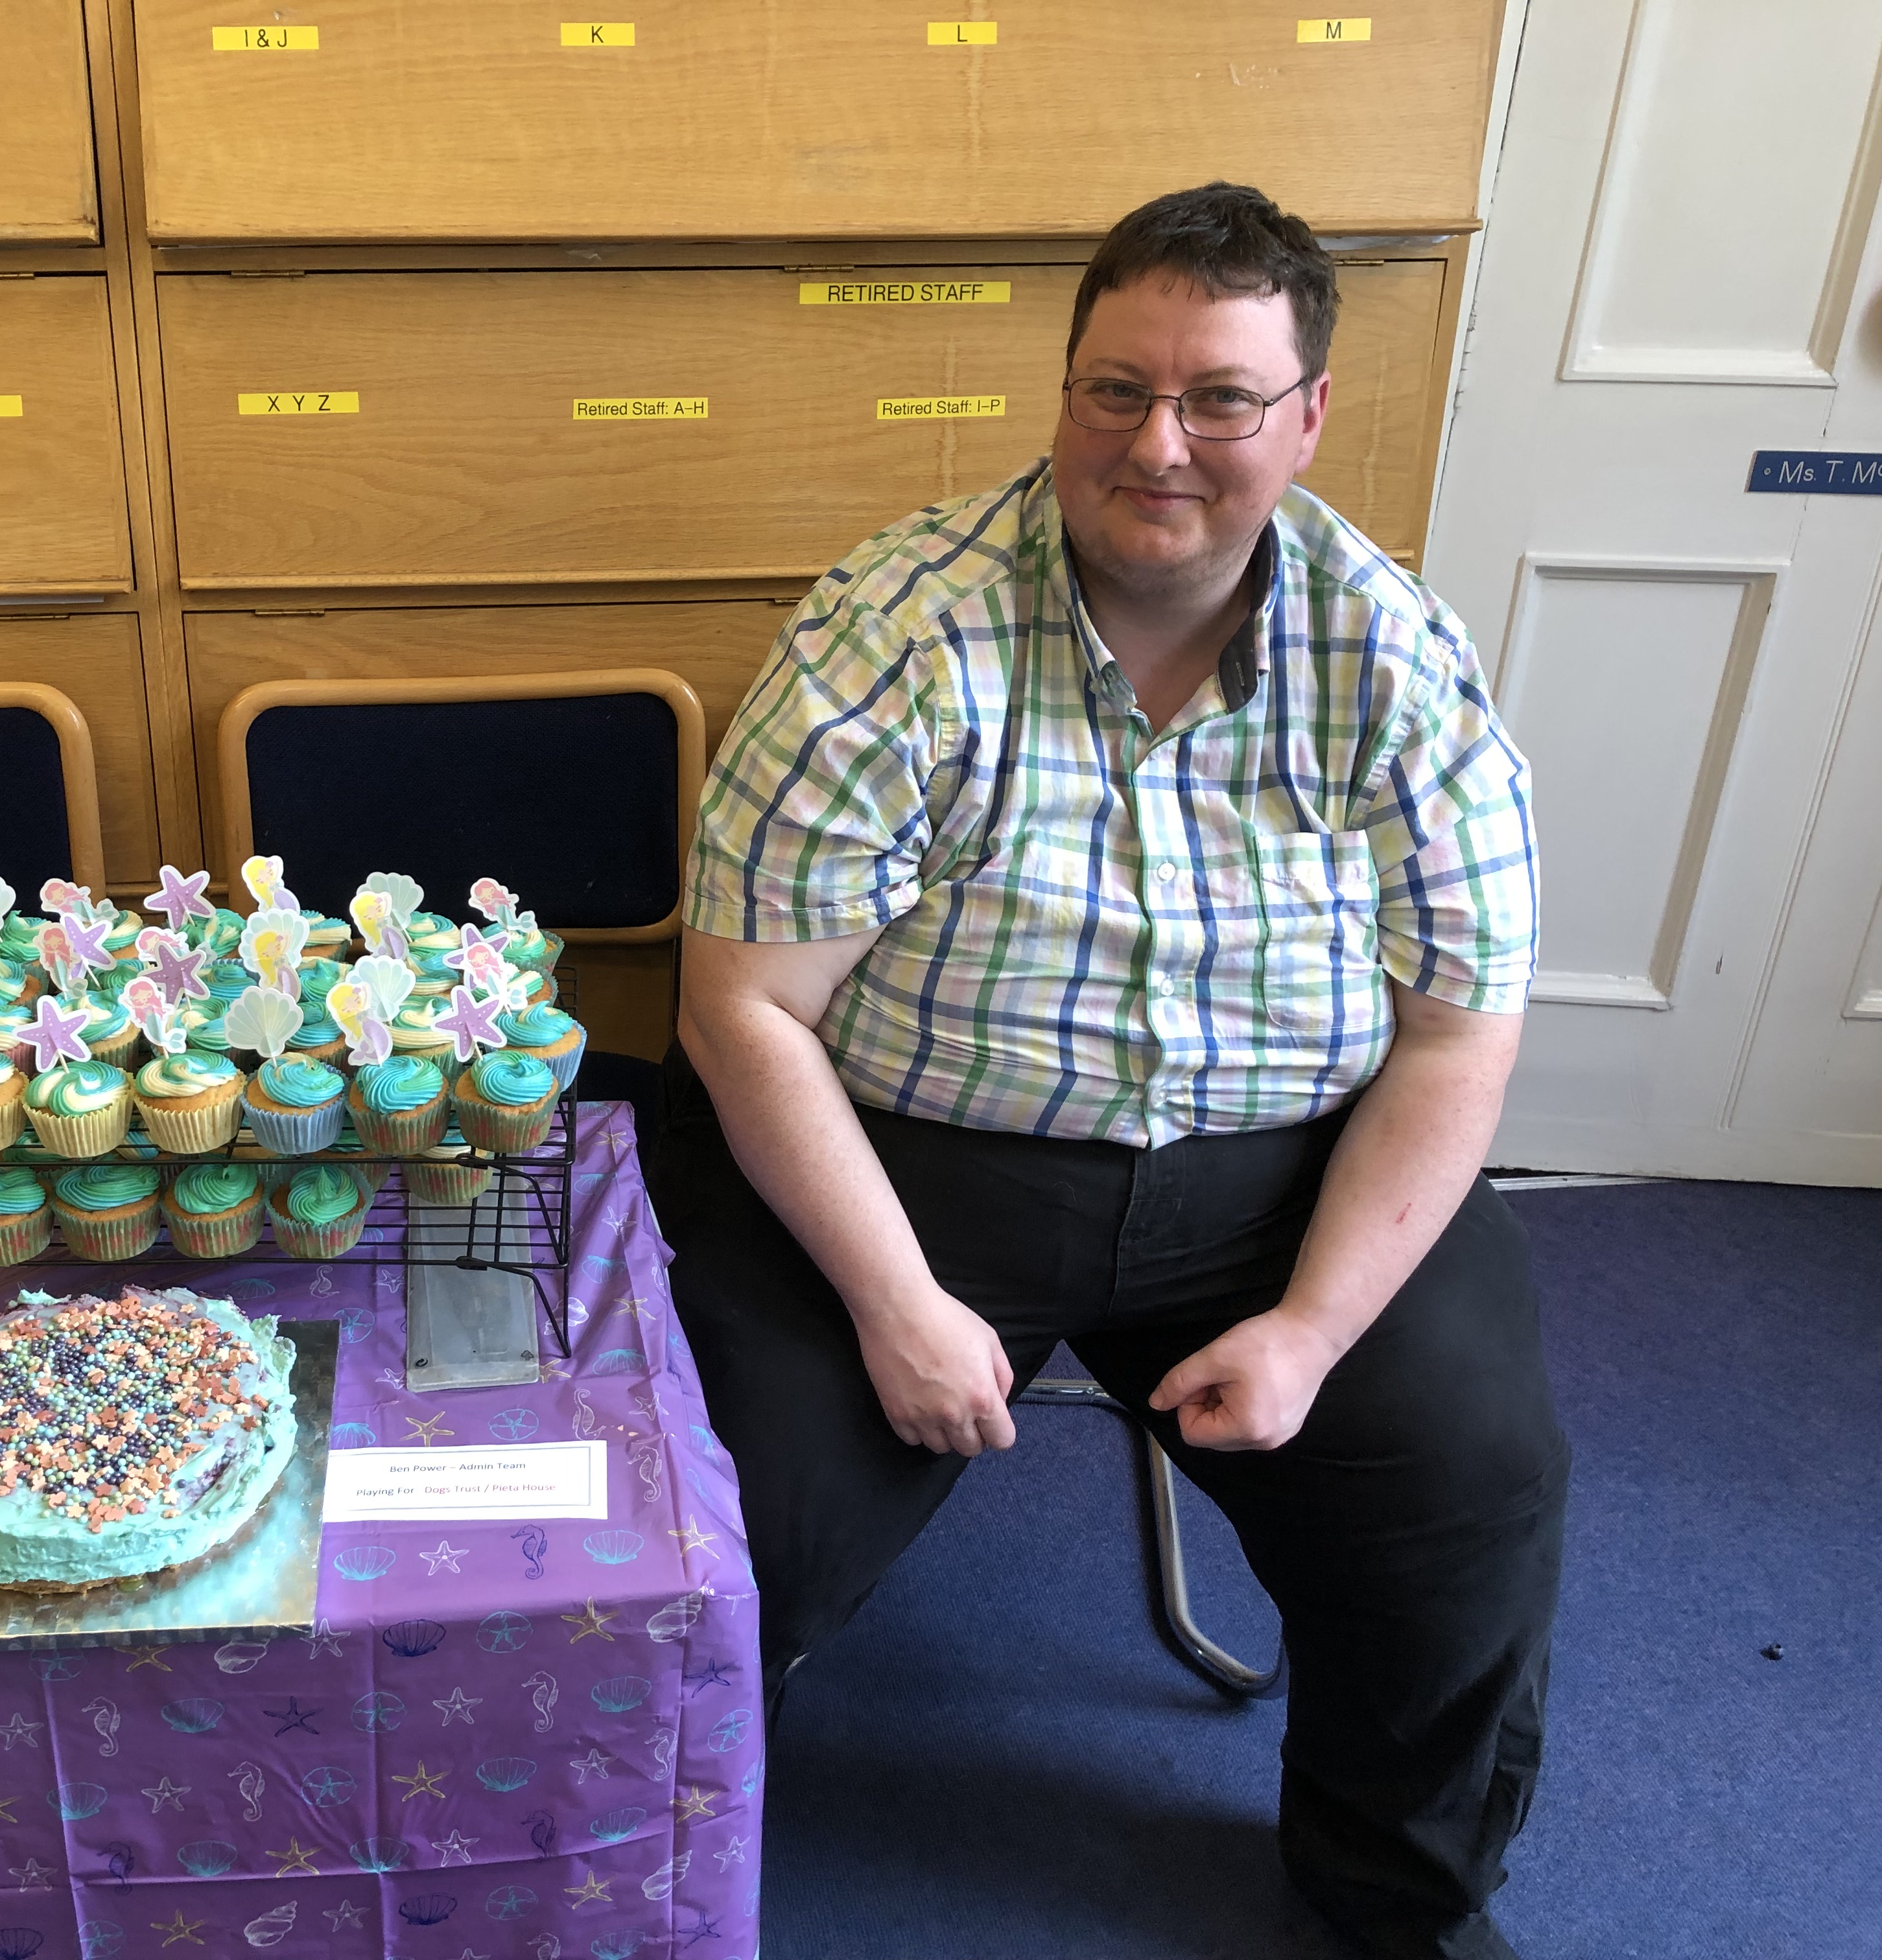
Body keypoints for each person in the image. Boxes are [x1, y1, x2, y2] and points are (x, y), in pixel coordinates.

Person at [651, 182, 1566, 1960]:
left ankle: (1401, 1903)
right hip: (903, 1166)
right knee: (722, 1525)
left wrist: (1310, 1328)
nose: (1160, 442)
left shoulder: (1402, 658)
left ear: (1305, 419)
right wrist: (900, 1304)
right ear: (1062, 390)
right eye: (1114, 389)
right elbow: (742, 1014)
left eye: (1221, 398)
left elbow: (1461, 1031)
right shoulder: (893, 632)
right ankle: (637, 1871)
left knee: (1469, 1486)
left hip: (1281, 1179)